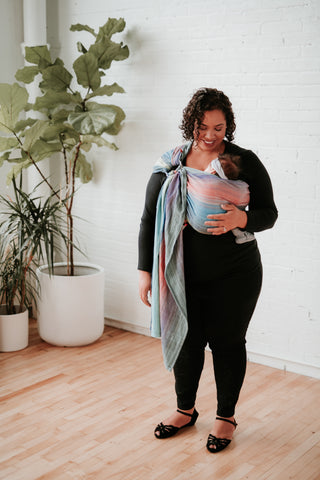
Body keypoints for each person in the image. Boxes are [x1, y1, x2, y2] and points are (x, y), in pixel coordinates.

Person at [138, 87, 278, 453]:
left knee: (228, 344)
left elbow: (270, 213)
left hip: (236, 274)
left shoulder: (243, 160)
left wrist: (241, 216)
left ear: (228, 124)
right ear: (191, 123)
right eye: (203, 126)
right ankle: (185, 410)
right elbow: (150, 218)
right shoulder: (171, 162)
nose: (211, 135)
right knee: (187, 341)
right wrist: (145, 272)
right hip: (182, 272)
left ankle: (226, 417)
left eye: (219, 127)